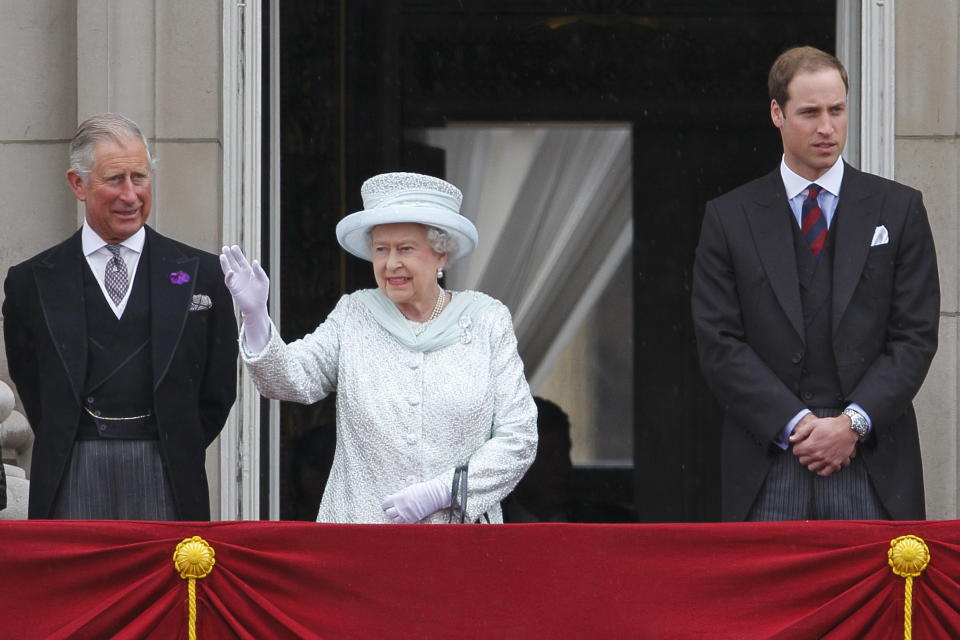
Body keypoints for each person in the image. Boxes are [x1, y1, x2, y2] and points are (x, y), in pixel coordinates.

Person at [691, 46, 939, 521]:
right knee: (767, 597)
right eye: (810, 113)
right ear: (777, 113)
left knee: (876, 597)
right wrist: (798, 425)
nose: (827, 127)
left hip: (871, 456)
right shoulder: (729, 217)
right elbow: (719, 342)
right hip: (768, 457)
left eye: (837, 110)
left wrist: (851, 425)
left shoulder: (899, 209)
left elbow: (914, 335)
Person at [220, 171, 538, 523]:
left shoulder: (487, 320)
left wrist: (444, 492)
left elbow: (519, 437)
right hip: (359, 539)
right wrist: (255, 318)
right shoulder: (354, 314)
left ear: (441, 255)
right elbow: (290, 380)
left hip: (457, 542)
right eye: (381, 250)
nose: (391, 264)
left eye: (406, 249)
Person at [2, 113, 238, 520]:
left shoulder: (203, 274)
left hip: (168, 476)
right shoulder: (30, 283)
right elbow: (34, 387)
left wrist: (174, 442)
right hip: (70, 475)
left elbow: (217, 390)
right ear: (78, 184)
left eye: (140, 177)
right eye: (115, 179)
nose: (131, 195)